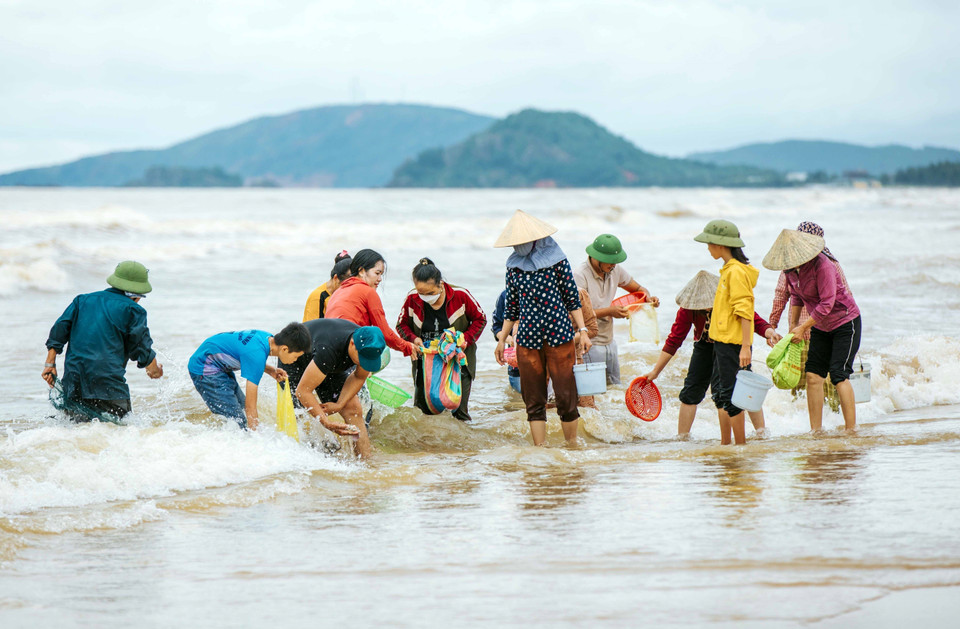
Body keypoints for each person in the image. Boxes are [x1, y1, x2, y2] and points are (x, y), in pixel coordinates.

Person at [492, 210, 592, 446]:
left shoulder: (557, 260)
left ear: (535, 239)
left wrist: (584, 331)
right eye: (514, 243)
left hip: (559, 333)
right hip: (527, 338)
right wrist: (501, 339)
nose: (518, 247)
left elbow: (571, 298)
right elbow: (512, 307)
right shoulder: (513, 266)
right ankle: (540, 450)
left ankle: (572, 446)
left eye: (521, 242)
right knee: (533, 397)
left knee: (566, 394)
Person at [642, 271, 781, 437]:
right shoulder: (688, 308)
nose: (707, 306)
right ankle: (682, 438)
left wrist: (770, 332)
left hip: (733, 345)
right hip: (704, 345)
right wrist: (656, 371)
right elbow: (674, 340)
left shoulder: (731, 301)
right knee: (690, 391)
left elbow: (754, 320)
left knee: (741, 387)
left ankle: (761, 433)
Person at [762, 228, 861, 433]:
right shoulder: (790, 271)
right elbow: (796, 297)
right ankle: (816, 430)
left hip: (845, 322)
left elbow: (827, 303)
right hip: (820, 326)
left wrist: (803, 327)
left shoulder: (823, 265)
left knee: (838, 375)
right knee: (813, 375)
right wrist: (792, 328)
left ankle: (851, 430)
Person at [42, 261, 164, 421]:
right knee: (119, 433)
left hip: (73, 381)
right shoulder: (134, 309)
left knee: (75, 433)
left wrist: (50, 364)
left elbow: (60, 329)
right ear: (136, 293)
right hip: (108, 384)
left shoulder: (82, 300)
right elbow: (140, 347)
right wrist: (154, 370)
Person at [395, 258, 487, 421]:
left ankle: (463, 445)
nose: (425, 297)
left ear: (441, 284)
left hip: (458, 359)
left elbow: (480, 319)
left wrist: (465, 339)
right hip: (426, 362)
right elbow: (402, 325)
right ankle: (429, 445)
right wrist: (413, 339)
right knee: (424, 412)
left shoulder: (460, 295)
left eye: (430, 293)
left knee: (459, 411)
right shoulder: (412, 299)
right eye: (421, 293)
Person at [694, 220, 759, 445]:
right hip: (722, 344)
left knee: (733, 397)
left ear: (720, 244)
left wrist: (745, 346)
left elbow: (745, 311)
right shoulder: (728, 270)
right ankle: (726, 444)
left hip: (733, 345)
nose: (708, 248)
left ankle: (740, 446)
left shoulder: (736, 273)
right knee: (721, 395)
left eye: (709, 244)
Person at [283, 320, 386, 458]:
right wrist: (327, 423)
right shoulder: (329, 350)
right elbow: (302, 391)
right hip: (295, 357)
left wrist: (339, 405)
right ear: (352, 344)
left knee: (353, 409)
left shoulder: (368, 345)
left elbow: (359, 377)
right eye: (362, 358)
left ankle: (366, 464)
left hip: (329, 362)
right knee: (300, 415)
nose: (364, 363)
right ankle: (303, 461)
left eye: (369, 360)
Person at [188, 323, 311, 430]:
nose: (295, 360)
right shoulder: (256, 355)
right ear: (284, 349)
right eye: (296, 356)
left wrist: (271, 371)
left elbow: (248, 356)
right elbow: (251, 406)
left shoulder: (266, 338)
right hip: (205, 369)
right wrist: (255, 438)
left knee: (239, 411)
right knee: (237, 422)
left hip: (219, 365)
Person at [573, 234, 659, 385]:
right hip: (589, 342)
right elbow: (577, 315)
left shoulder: (615, 269)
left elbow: (638, 289)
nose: (613, 265)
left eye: (616, 262)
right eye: (610, 262)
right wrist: (609, 311)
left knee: (615, 387)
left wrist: (648, 298)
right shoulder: (579, 275)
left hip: (609, 340)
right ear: (596, 258)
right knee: (594, 390)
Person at [325, 249, 418, 360]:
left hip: (327, 348)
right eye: (377, 273)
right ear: (361, 271)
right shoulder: (368, 292)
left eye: (381, 275)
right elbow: (385, 333)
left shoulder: (339, 290)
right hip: (346, 349)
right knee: (381, 351)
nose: (379, 279)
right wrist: (407, 346)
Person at [303, 251, 352, 321]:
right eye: (347, 284)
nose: (350, 288)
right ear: (336, 278)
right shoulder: (318, 296)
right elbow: (311, 328)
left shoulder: (347, 295)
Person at [491, 290, 522, 394]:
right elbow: (497, 327)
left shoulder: (545, 291)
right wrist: (508, 339)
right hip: (516, 364)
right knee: (519, 400)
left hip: (543, 359)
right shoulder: (505, 296)